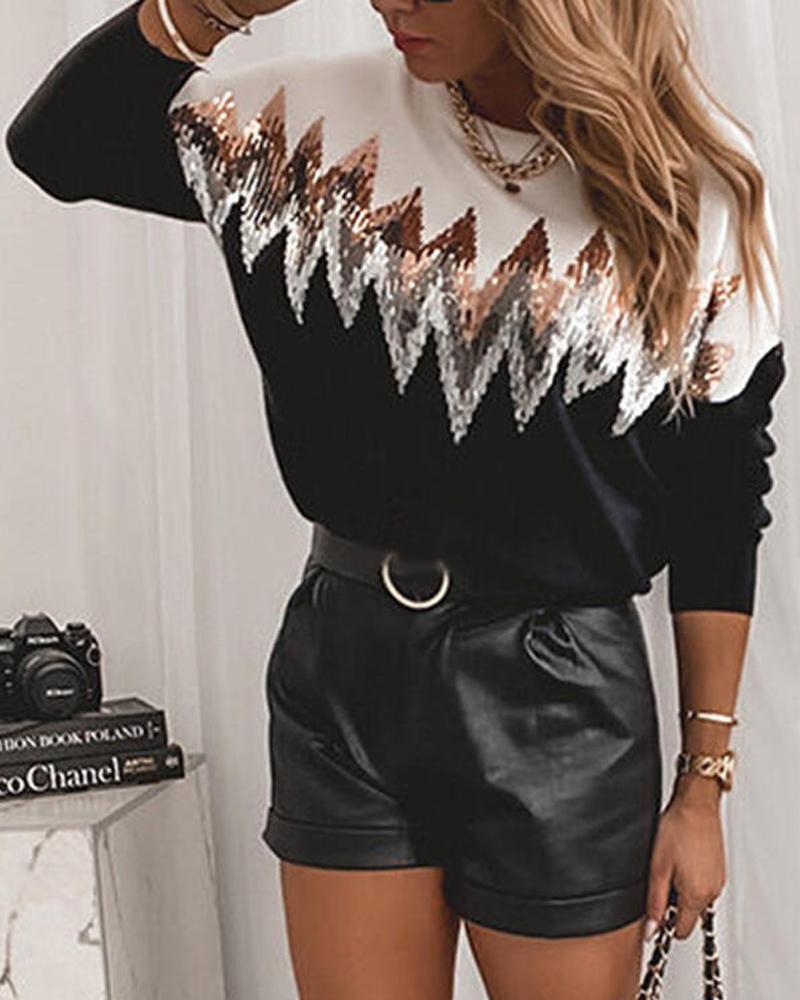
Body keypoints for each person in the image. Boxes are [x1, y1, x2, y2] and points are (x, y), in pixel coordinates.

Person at [5, 0, 787, 997]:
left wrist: (702, 785)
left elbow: (720, 504)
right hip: (345, 666)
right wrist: (214, 7)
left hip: (560, 699)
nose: (390, 1)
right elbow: (59, 145)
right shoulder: (306, 128)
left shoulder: (692, 182)